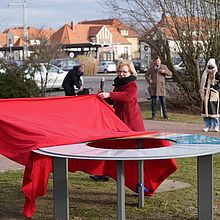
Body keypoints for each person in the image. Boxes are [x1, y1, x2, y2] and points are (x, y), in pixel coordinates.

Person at [90, 59, 145, 181]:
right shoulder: (119, 84)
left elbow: (127, 97)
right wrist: (103, 97)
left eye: (124, 71)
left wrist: (109, 94)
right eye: (120, 71)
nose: (122, 74)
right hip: (119, 123)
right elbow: (115, 100)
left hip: (132, 125)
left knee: (133, 154)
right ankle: (104, 173)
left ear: (130, 71)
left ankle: (139, 179)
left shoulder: (132, 85)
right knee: (111, 147)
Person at [199, 58, 220, 132]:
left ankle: (216, 126)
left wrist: (216, 88)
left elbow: (218, 84)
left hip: (213, 93)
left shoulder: (217, 73)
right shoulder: (205, 73)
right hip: (205, 93)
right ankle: (207, 125)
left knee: (214, 111)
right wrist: (202, 90)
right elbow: (202, 83)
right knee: (206, 110)